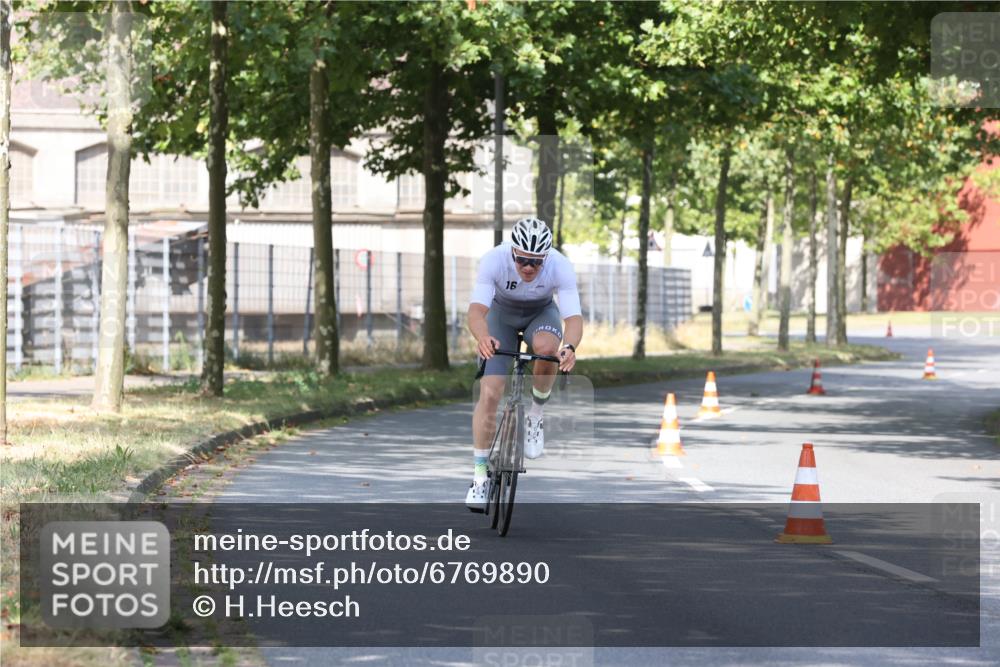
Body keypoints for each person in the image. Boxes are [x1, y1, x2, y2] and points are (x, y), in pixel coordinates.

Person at [465, 217, 583, 511]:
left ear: (546, 257)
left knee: (547, 350)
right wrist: (483, 337)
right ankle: (480, 477)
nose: (529, 267)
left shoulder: (560, 265)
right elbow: (477, 310)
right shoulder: (494, 260)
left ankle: (535, 416)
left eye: (536, 262)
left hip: (541, 315)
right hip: (500, 317)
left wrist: (569, 347)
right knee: (490, 393)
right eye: (522, 260)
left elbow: (573, 318)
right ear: (513, 251)